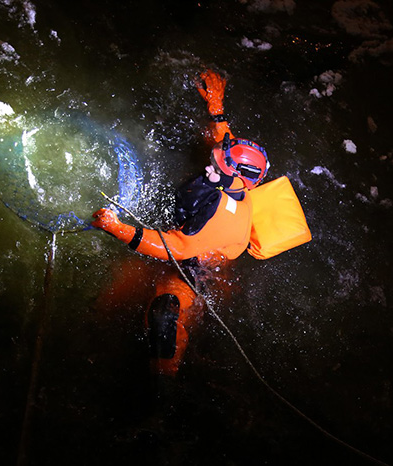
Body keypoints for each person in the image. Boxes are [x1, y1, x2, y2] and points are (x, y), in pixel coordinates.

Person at [92, 70, 269, 376]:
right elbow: (224, 142)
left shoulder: (222, 217)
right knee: (102, 308)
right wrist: (216, 106)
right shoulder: (233, 180)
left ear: (233, 178)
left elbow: (173, 248)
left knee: (164, 315)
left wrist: (115, 227)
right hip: (189, 242)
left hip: (194, 271)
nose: (208, 167)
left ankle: (163, 380)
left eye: (215, 168)